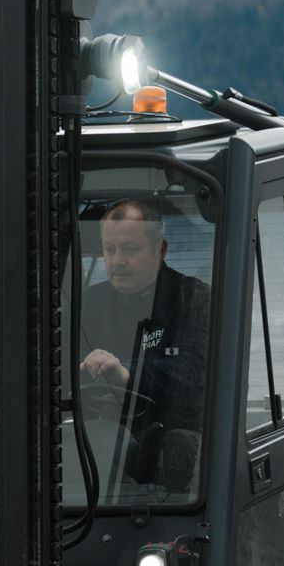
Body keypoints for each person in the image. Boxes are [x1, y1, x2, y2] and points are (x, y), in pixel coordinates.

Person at [78, 198, 209, 484]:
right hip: (101, 435)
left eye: (130, 249)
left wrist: (126, 375)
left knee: (179, 446)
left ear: (160, 250)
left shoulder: (192, 298)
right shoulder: (88, 303)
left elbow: (194, 373)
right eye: (109, 250)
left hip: (169, 440)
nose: (117, 261)